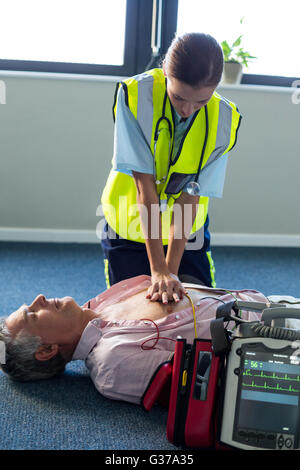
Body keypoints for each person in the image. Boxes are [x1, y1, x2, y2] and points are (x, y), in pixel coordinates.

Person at [3, 275, 299, 405]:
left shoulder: (103, 300)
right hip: (279, 344)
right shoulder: (112, 362)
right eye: (32, 314)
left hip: (270, 303)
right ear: (46, 350)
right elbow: (214, 387)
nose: (38, 298)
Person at [100, 32, 242, 303]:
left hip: (186, 233)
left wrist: (171, 273)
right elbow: (145, 188)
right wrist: (158, 270)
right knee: (130, 314)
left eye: (201, 102)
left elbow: (191, 197)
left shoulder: (224, 120)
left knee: (199, 311)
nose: (188, 109)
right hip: (130, 226)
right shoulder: (134, 96)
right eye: (179, 98)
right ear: (165, 70)